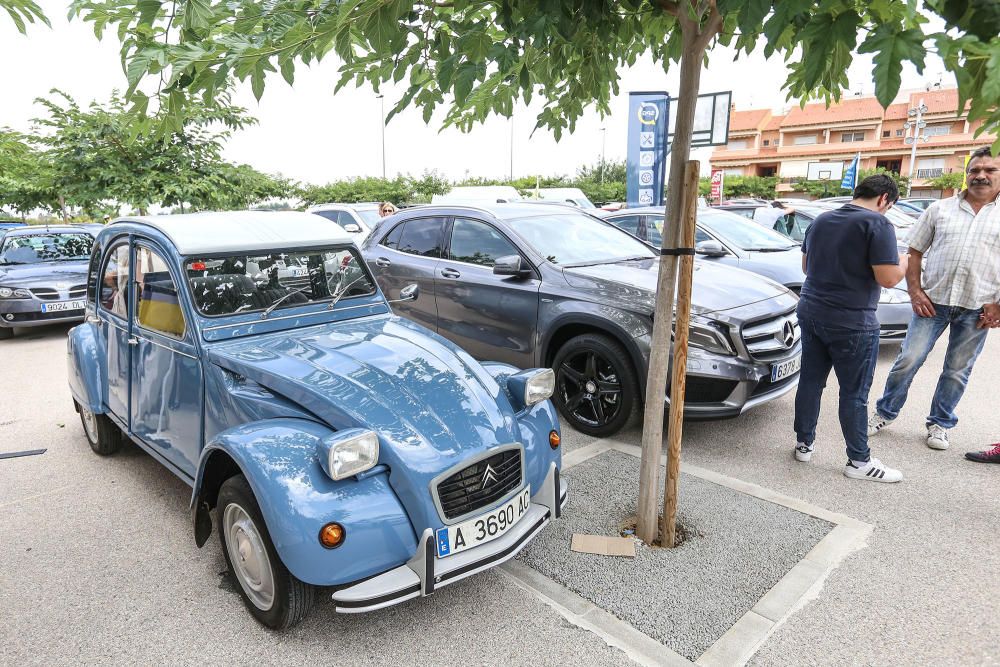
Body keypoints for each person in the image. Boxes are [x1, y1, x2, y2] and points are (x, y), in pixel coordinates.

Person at [868, 147, 1000, 455]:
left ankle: (940, 422)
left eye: (989, 170)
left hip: (978, 308)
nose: (980, 175)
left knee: (957, 369)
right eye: (974, 170)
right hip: (932, 302)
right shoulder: (939, 209)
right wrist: (915, 291)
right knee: (908, 359)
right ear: (966, 174)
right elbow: (914, 251)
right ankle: (884, 413)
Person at [793, 174, 908, 482]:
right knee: (854, 394)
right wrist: (905, 262)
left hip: (811, 310)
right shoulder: (878, 224)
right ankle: (859, 461)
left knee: (811, 382)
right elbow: (888, 278)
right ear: (884, 199)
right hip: (852, 321)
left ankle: (804, 444)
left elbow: (806, 267)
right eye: (889, 206)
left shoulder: (821, 220)